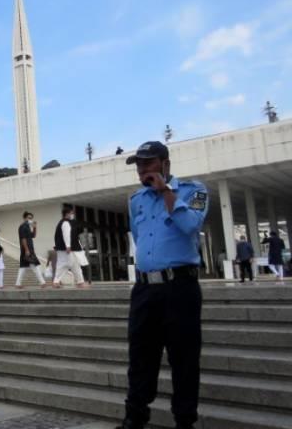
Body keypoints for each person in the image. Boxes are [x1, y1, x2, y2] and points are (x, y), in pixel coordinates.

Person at [117, 141, 208, 429]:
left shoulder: (194, 191)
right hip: (145, 288)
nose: (142, 169)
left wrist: (165, 191)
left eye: (148, 163)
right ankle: (135, 418)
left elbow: (190, 225)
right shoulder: (136, 200)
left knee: (184, 357)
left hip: (179, 287)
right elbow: (138, 236)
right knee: (140, 356)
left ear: (166, 164)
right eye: (139, 165)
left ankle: (184, 421)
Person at [52, 207, 89, 288]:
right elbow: (66, 235)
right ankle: (79, 282)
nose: (73, 215)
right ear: (67, 214)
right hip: (68, 249)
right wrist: (68, 246)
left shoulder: (61, 222)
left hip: (62, 248)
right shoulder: (66, 223)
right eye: (71, 213)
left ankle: (79, 282)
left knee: (71, 264)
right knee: (69, 264)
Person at [16, 211, 46, 288]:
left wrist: (35, 227)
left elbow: (33, 235)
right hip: (27, 249)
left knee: (23, 267)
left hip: (28, 249)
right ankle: (42, 282)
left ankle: (18, 284)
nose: (30, 220)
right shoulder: (23, 226)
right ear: (24, 218)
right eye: (29, 218)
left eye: (31, 218)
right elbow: (23, 239)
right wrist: (26, 250)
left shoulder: (28, 226)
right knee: (35, 265)